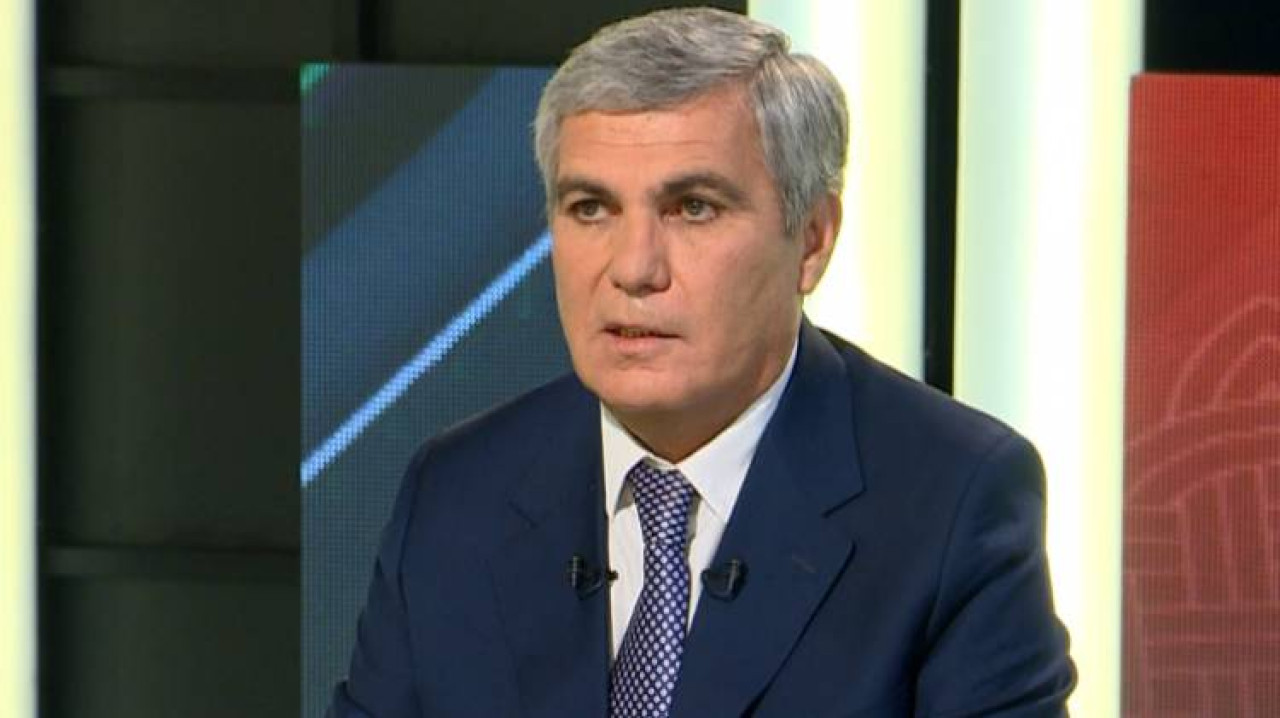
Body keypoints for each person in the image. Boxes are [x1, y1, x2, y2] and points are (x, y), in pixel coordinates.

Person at [328, 7, 1075, 717]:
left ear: (812, 239)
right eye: (591, 208)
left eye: (693, 208)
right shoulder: (457, 492)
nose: (634, 268)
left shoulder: (951, 501)